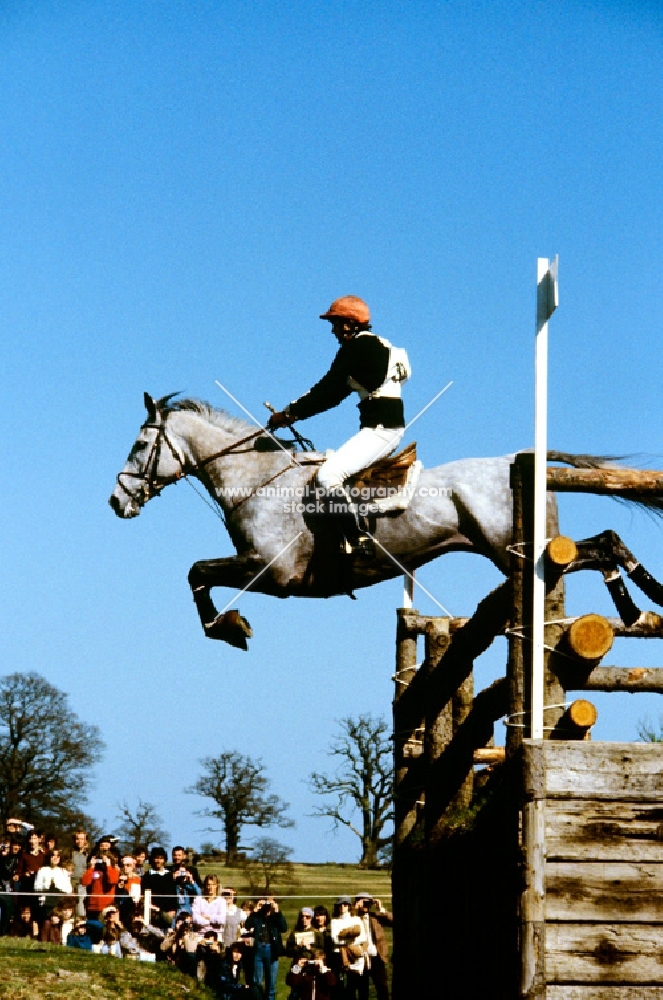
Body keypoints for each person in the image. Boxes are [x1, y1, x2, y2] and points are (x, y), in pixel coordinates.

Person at [268, 296, 409, 553]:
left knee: (328, 476)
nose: (333, 331)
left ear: (349, 324)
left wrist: (288, 414)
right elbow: (334, 393)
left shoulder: (357, 348)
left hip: (381, 430)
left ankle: (359, 539)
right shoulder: (378, 345)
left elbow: (327, 391)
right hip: (381, 427)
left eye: (335, 324)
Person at [351, 893, 393, 1000]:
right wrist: (354, 909)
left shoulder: (376, 917)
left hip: (376, 957)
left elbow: (393, 921)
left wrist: (381, 909)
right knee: (362, 989)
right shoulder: (353, 918)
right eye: (363, 902)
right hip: (360, 957)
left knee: (382, 987)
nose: (365, 905)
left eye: (367, 903)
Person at [245, 895, 287, 1000]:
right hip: (258, 948)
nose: (267, 905)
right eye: (266, 901)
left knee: (271, 981)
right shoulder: (257, 916)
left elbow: (284, 928)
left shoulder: (275, 917)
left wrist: (277, 911)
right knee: (257, 981)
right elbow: (247, 925)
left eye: (270, 901)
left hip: (272, 950)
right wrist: (255, 910)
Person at [80, 836, 120, 921]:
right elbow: (84, 882)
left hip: (107, 907)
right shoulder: (93, 869)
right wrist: (91, 867)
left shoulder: (113, 869)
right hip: (93, 907)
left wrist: (108, 865)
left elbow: (113, 880)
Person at [142, 847, 178, 928]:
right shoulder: (148, 876)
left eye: (161, 858)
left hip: (168, 913)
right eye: (156, 858)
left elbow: (173, 894)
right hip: (153, 913)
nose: (158, 861)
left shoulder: (169, 875)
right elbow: (144, 894)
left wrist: (173, 910)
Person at [70, 830, 90, 918]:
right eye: (77, 839)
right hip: (72, 882)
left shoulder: (89, 855)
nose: (79, 841)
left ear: (85, 840)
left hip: (85, 883)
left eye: (82, 839)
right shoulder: (69, 853)